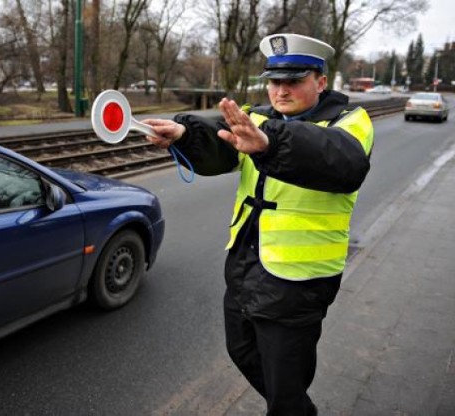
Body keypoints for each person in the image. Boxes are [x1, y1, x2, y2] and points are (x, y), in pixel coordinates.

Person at [143, 33, 374, 415]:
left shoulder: (350, 123)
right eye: (274, 81)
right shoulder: (260, 117)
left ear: (320, 82)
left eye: (294, 81)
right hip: (247, 266)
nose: (281, 91)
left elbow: (339, 161)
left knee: (285, 383)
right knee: (243, 350)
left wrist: (269, 143)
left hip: (299, 280)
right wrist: (184, 135)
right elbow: (222, 146)